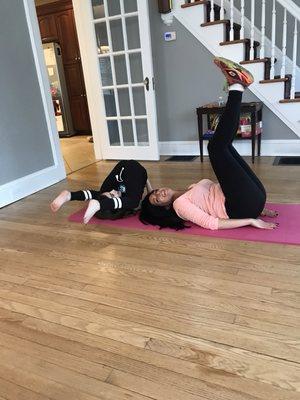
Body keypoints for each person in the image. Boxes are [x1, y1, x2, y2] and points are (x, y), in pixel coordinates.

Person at [139, 57, 279, 231]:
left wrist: (260, 209)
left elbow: (228, 187)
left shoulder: (189, 189)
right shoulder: (180, 205)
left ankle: (236, 86)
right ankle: (236, 87)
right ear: (164, 207)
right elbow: (212, 223)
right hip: (241, 208)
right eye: (157, 199)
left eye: (155, 192)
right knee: (215, 147)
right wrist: (251, 220)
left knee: (224, 146)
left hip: (252, 199)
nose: (159, 193)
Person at [51, 160, 151, 224]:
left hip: (124, 169)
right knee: (133, 202)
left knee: (101, 192)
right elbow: (145, 182)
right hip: (131, 169)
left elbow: (92, 193)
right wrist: (149, 189)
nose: (113, 191)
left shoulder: (110, 190)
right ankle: (72, 196)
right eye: (112, 194)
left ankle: (70, 195)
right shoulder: (128, 198)